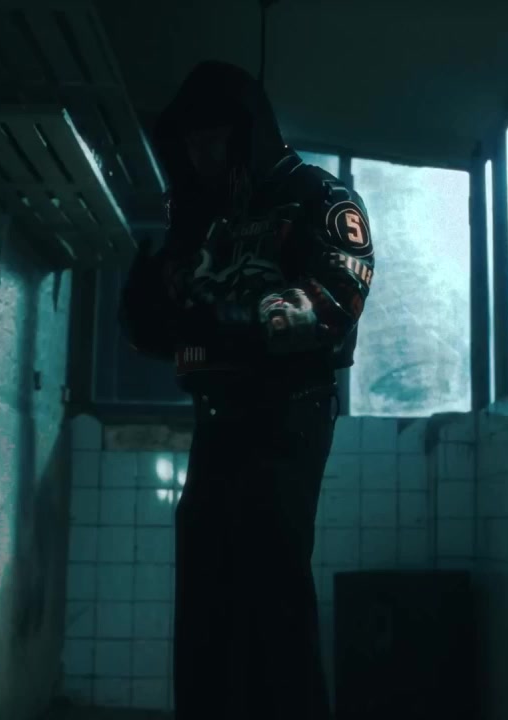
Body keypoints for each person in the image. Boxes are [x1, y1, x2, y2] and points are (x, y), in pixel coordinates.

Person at [119, 60, 376, 720]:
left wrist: (240, 320)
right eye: (191, 143)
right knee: (206, 589)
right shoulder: (204, 219)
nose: (200, 156)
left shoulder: (317, 195)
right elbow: (179, 322)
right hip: (218, 417)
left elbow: (338, 295)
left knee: (271, 590)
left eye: (214, 140)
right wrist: (148, 314)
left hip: (288, 414)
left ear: (246, 133)